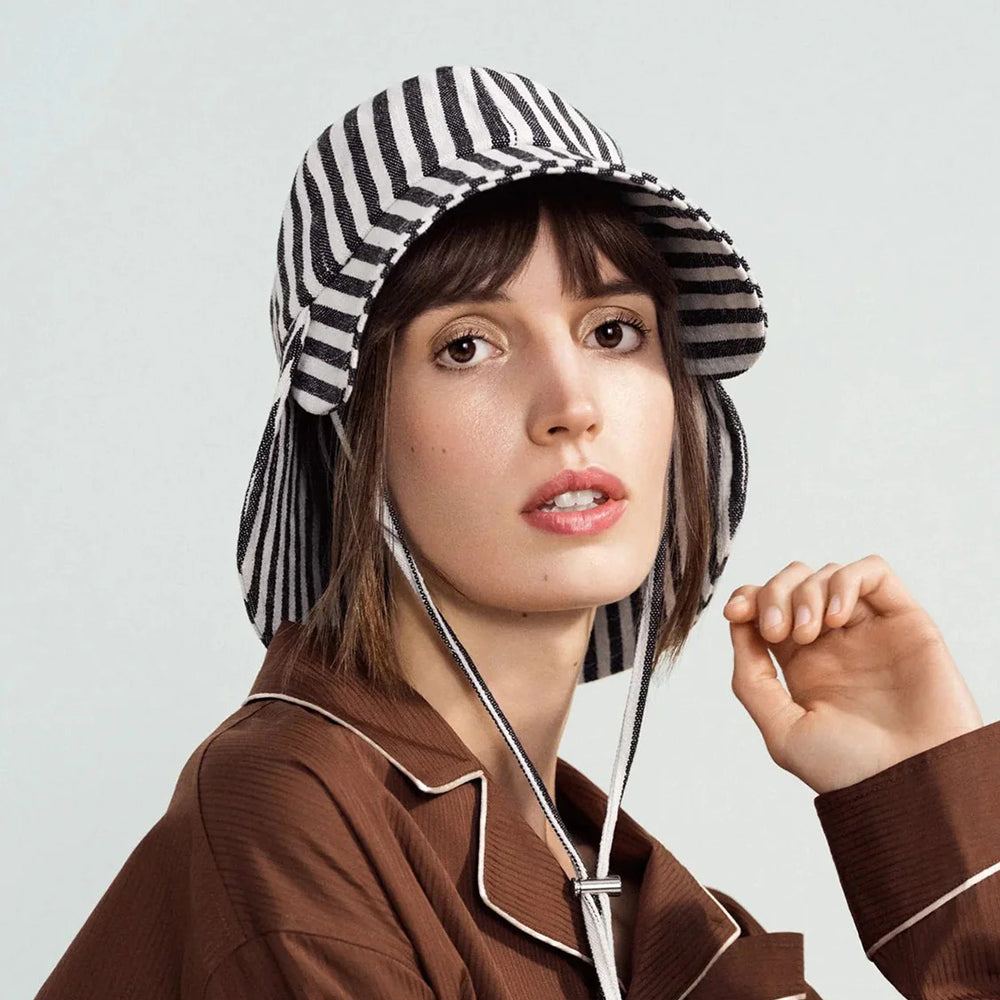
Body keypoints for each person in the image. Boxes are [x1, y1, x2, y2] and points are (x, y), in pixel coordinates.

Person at [34, 65, 999, 1000]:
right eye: (467, 346)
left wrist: (921, 799)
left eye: (613, 330)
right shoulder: (288, 808)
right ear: (352, 427)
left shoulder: (635, 903)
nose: (571, 404)